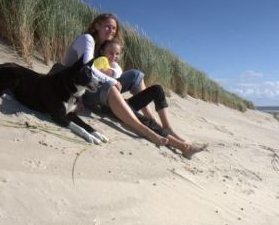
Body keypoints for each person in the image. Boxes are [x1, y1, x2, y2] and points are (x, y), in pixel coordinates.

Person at [62, 13, 207, 159]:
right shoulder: (87, 40)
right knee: (112, 88)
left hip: (97, 88)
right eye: (108, 26)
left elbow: (117, 70)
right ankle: (147, 130)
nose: (111, 31)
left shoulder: (105, 49)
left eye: (114, 28)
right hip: (81, 91)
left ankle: (156, 121)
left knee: (136, 75)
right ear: (97, 25)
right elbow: (87, 70)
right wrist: (109, 81)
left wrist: (112, 74)